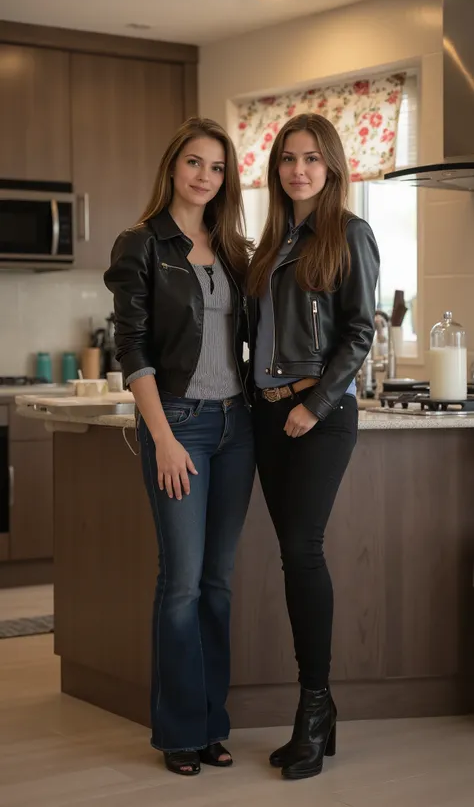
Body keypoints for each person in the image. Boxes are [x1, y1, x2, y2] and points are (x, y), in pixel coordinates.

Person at [104, 117, 255, 777]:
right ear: (173, 167)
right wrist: (161, 435)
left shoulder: (232, 247)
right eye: (195, 163)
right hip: (181, 427)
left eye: (217, 167)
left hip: (237, 428)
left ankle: (211, 724)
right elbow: (131, 347)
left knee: (218, 585)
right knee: (182, 584)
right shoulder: (141, 244)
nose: (205, 176)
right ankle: (177, 732)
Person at [246, 113, 380, 781]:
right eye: (288, 159)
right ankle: (319, 713)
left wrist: (313, 405)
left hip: (319, 415)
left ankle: (316, 706)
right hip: (268, 416)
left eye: (311, 159)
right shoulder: (273, 242)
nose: (298, 170)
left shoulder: (349, 234)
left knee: (302, 551)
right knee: (289, 555)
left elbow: (360, 332)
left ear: (331, 167)